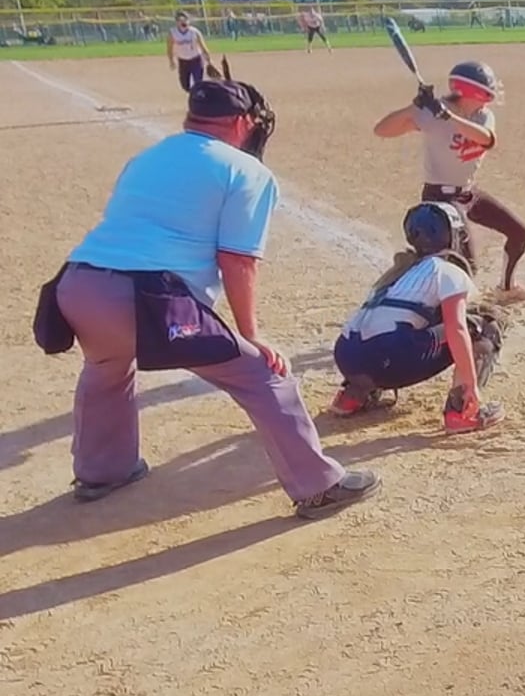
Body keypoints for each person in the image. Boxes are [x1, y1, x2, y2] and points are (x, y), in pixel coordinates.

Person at [47, 79, 379, 518]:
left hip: (76, 285)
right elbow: (238, 260)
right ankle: (319, 486)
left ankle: (102, 471)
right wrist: (251, 334)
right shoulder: (245, 170)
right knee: (263, 374)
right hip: (142, 296)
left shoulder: (146, 157)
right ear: (241, 121)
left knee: (107, 365)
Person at [329, 203, 506, 433]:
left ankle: (352, 395)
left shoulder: (398, 272)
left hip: (346, 355)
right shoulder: (446, 270)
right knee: (485, 324)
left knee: (404, 325)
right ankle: (462, 411)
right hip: (390, 356)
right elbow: (456, 328)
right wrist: (470, 384)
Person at [374, 61, 525, 297]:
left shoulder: (482, 116)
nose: (490, 98)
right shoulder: (431, 114)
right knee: (467, 265)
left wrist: (448, 117)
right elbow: (382, 130)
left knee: (520, 233)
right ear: (473, 92)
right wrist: (413, 107)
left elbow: (486, 139)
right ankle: (421, 290)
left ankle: (507, 288)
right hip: (440, 198)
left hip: (468, 193)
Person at [166, 11, 214, 94]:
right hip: (183, 61)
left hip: (196, 60)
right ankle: (193, 93)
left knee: (198, 81)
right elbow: (169, 48)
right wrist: (171, 60)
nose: (183, 22)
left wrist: (209, 60)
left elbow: (203, 47)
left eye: (185, 20)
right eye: (180, 20)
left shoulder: (194, 32)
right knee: (185, 85)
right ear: (177, 22)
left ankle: (199, 96)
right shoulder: (172, 33)